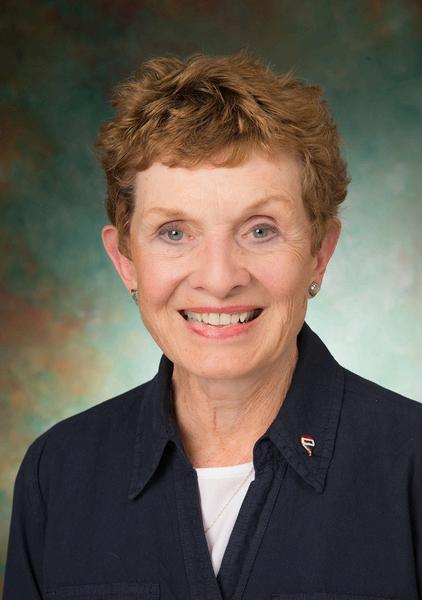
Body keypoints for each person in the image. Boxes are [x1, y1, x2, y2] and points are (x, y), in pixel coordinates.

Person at [4, 52, 421, 600]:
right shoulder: (57, 473)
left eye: (260, 230)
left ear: (319, 253)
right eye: (175, 233)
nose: (220, 280)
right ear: (126, 261)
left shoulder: (412, 465)